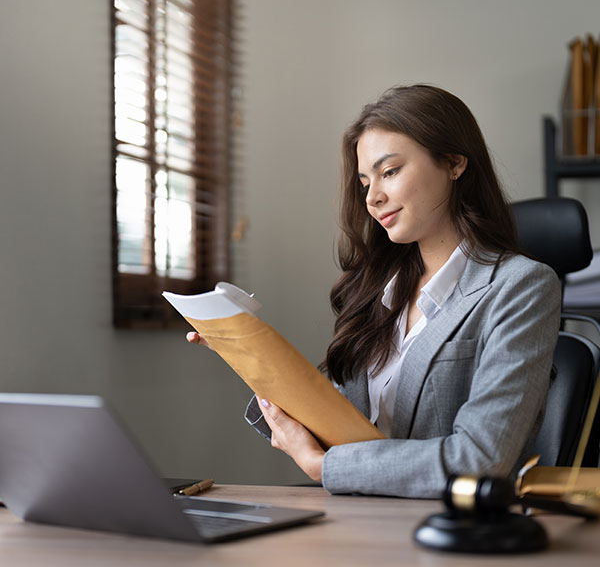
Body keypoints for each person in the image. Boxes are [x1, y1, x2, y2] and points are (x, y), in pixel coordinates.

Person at [187, 84, 561, 498]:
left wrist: (323, 466)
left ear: (454, 163)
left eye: (390, 172)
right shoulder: (380, 292)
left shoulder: (521, 286)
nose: (373, 197)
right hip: (361, 513)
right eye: (365, 181)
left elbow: (481, 457)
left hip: (451, 529)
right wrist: (247, 353)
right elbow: (343, 425)